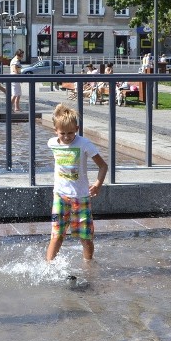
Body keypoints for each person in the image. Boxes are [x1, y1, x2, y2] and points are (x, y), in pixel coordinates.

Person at [46, 104, 109, 262]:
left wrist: (98, 184)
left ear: (77, 128)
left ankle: (89, 264)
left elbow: (103, 165)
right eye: (63, 133)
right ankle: (49, 266)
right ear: (55, 130)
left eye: (71, 133)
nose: (67, 137)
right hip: (60, 196)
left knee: (85, 237)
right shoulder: (52, 143)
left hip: (81, 197)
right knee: (57, 235)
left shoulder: (84, 144)